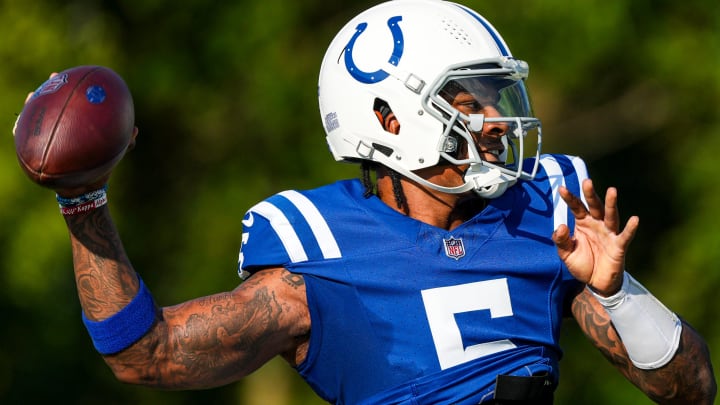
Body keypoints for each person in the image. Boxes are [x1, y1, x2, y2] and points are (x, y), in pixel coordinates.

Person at [19, 0, 715, 404]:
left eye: (501, 99)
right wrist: (86, 204)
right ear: (389, 119)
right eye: (471, 101)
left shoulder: (543, 215)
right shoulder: (317, 256)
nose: (499, 123)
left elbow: (691, 391)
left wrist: (620, 293)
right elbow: (149, 354)